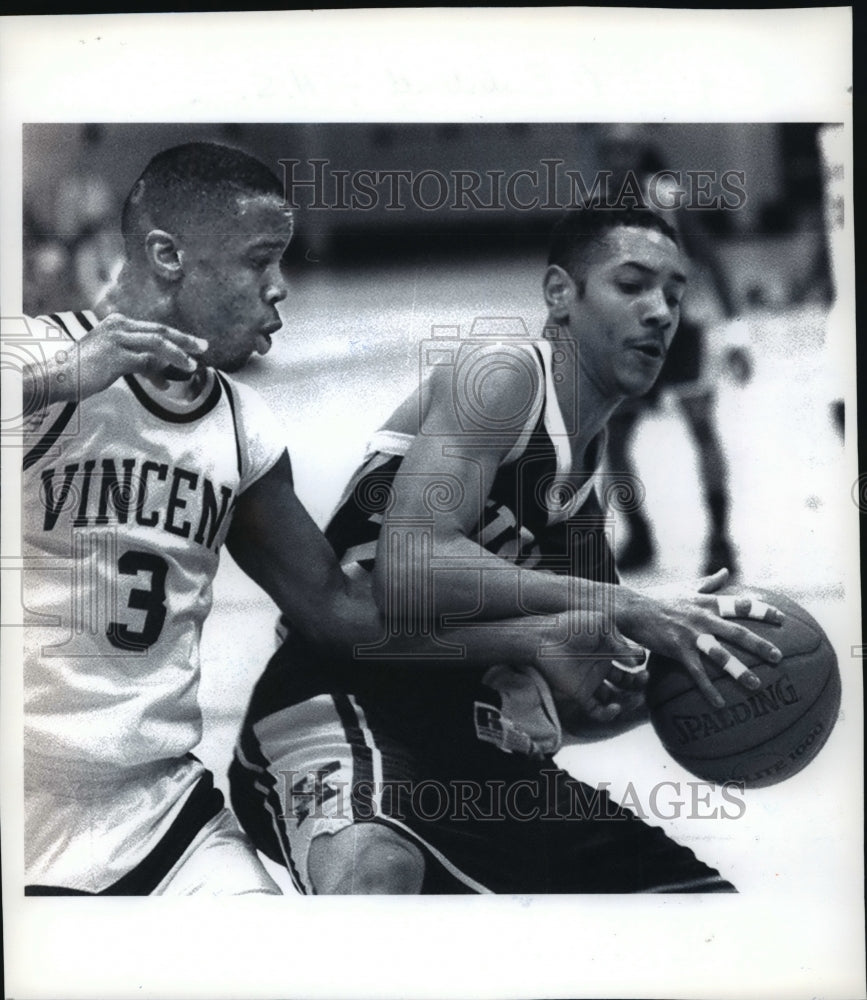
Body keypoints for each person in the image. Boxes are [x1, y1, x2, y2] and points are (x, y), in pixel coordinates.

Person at [20, 142, 677, 896]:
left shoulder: (240, 426)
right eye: (258, 262)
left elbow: (337, 612)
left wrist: (536, 638)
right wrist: (61, 379)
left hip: (161, 812)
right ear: (169, 255)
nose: (280, 290)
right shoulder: (37, 356)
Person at [230, 204, 784, 894]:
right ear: (560, 293)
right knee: (377, 872)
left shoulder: (583, 488)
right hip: (340, 705)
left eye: (674, 293)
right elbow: (408, 567)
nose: (660, 312)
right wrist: (623, 605)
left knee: (699, 906)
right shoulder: (503, 378)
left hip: (471, 747)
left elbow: (578, 703)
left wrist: (690, 684)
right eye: (632, 284)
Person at [597, 125, 744, 576]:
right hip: (633, 331)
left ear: (640, 150)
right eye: (610, 148)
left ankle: (720, 539)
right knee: (613, 440)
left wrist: (736, 327)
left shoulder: (664, 194)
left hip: (684, 326)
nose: (618, 156)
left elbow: (707, 252)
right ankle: (639, 533)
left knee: (702, 428)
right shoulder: (598, 203)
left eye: (626, 146)